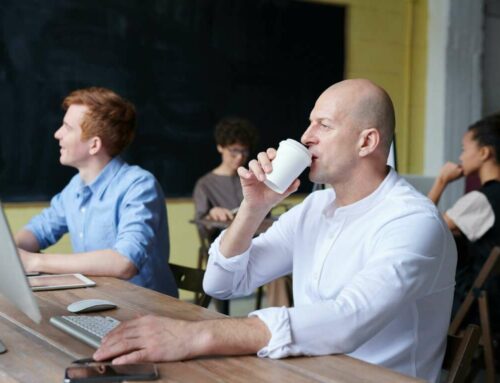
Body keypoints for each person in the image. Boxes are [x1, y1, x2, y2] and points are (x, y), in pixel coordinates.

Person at [93, 79, 456, 383]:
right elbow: (220, 284)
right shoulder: (315, 207)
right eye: (309, 123)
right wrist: (255, 206)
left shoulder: (412, 221)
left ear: (367, 142)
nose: (306, 136)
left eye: (323, 125)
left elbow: (348, 319)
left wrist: (198, 334)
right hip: (307, 372)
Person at [15, 87, 178, 297]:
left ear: (94, 145)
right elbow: (39, 230)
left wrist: (34, 261)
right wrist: (12, 253)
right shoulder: (76, 186)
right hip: (98, 300)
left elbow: (124, 262)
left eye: (67, 127)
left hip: (144, 311)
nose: (57, 134)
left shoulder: (139, 185)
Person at [427, 113, 500, 329]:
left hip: (479, 311)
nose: (460, 158)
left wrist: (441, 182)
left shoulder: (481, 200)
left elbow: (421, 230)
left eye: (464, 150)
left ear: (484, 152)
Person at [193, 116, 258, 223]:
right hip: (223, 238)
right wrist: (211, 214)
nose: (240, 157)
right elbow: (202, 226)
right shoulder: (205, 184)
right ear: (220, 147)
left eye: (244, 151)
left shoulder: (252, 178)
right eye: (234, 151)